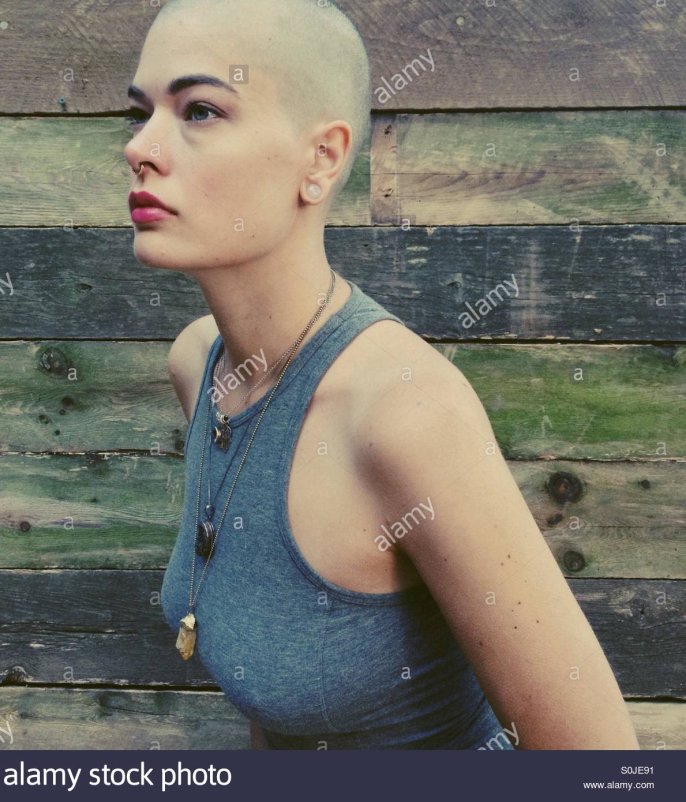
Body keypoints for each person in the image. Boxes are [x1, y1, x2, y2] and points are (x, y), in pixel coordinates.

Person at [124, 0, 640, 750]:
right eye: (138, 114)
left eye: (199, 110)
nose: (140, 148)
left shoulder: (402, 414)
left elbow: (599, 766)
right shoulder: (200, 366)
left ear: (322, 159)